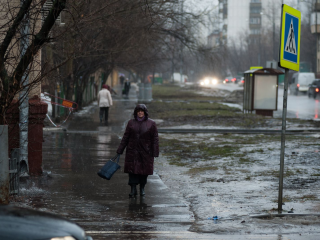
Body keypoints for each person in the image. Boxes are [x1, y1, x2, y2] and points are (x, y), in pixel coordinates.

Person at [116, 104, 159, 197]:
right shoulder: (131, 123)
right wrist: (120, 150)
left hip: (146, 152)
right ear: (136, 112)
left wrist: (155, 151)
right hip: (133, 151)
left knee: (144, 172)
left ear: (145, 112)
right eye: (138, 111)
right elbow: (126, 137)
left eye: (142, 111)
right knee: (132, 171)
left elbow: (155, 139)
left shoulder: (151, 123)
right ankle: (133, 189)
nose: (140, 112)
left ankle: (142, 188)